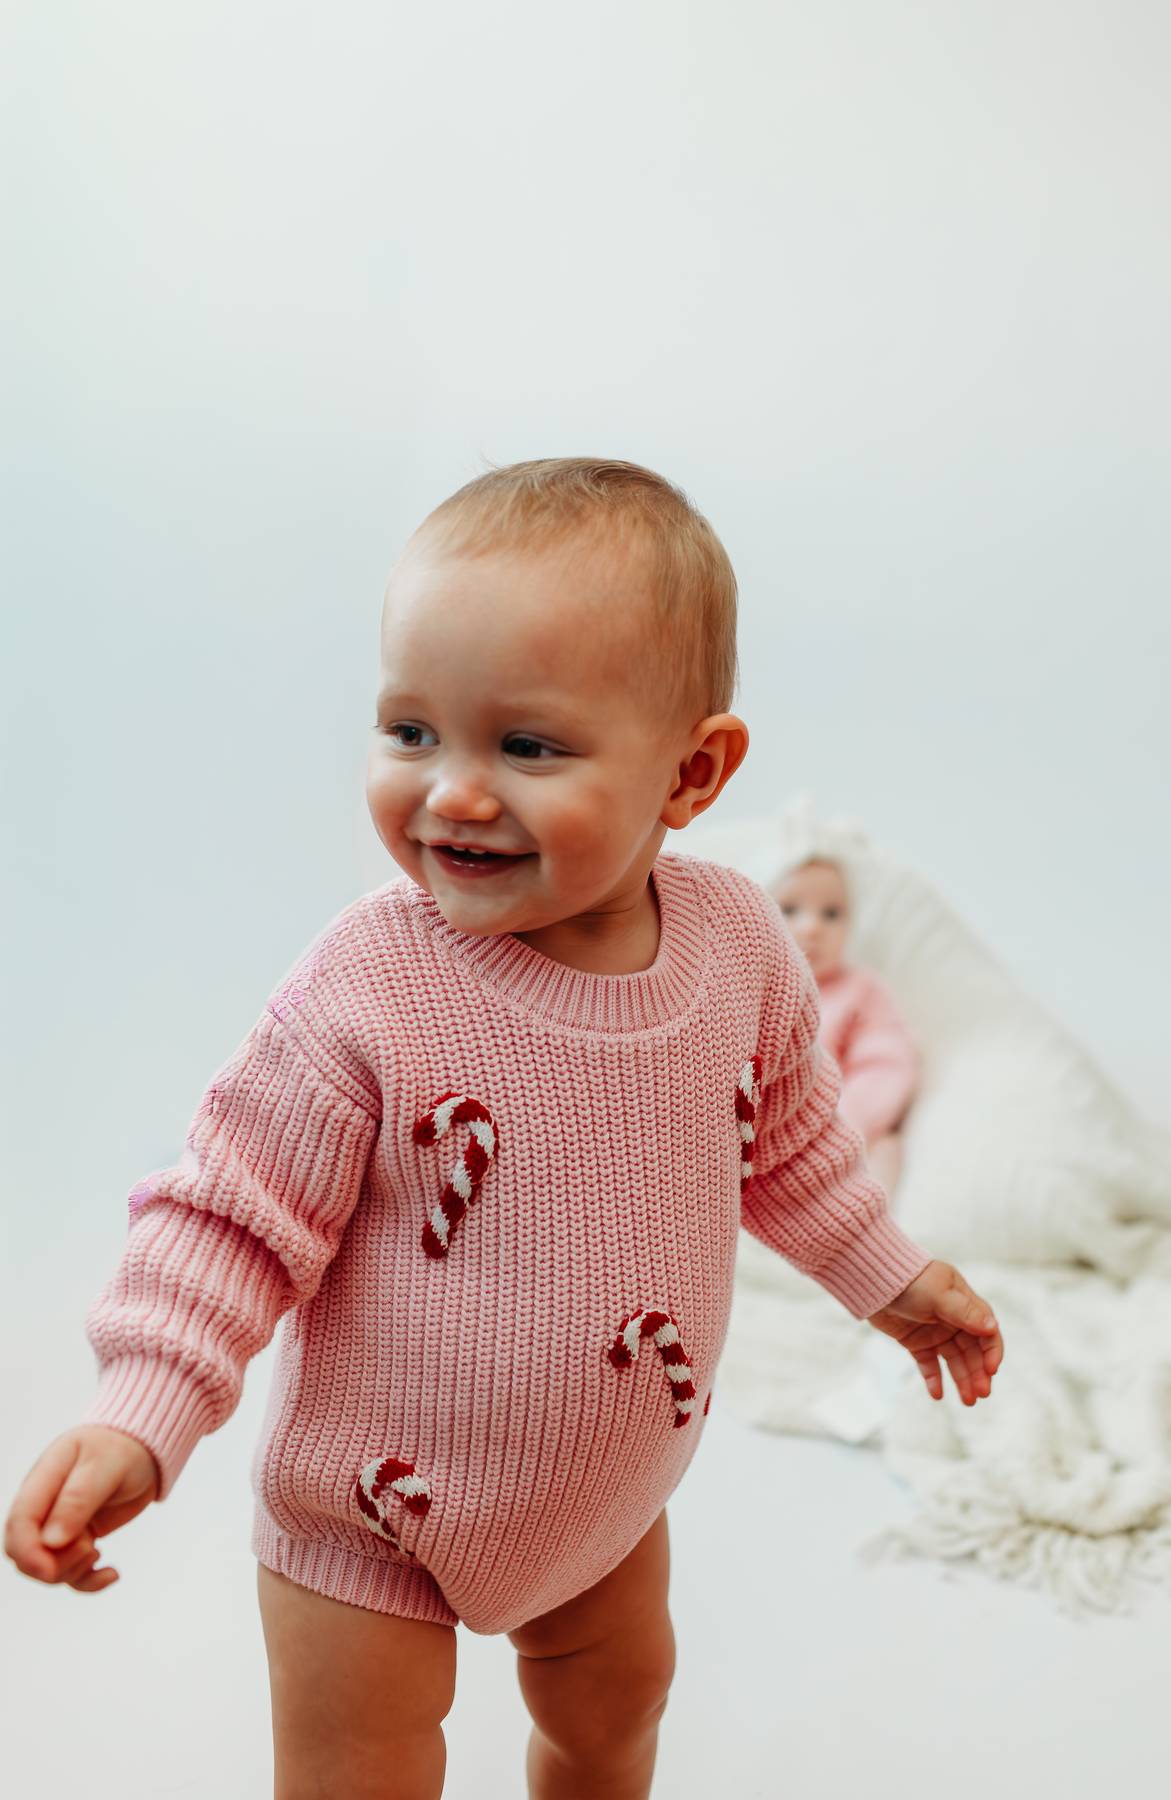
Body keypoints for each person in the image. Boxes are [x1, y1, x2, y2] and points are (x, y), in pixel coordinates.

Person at [4, 459, 1004, 1800]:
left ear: (692, 773)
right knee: (362, 1772)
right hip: (366, 1509)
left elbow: (792, 1151)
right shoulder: (369, 984)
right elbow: (232, 1215)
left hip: (603, 1497)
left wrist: (892, 1278)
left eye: (527, 747)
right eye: (410, 731)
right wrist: (145, 1409)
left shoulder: (738, 949)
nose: (454, 793)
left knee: (612, 1723)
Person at [772, 855, 919, 1195]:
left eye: (832, 914)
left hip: (841, 1126)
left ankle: (871, 1225)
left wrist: (845, 1124)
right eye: (790, 909)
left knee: (887, 1148)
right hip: (761, 1134)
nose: (812, 927)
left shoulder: (861, 989)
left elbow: (886, 1061)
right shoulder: (752, 986)